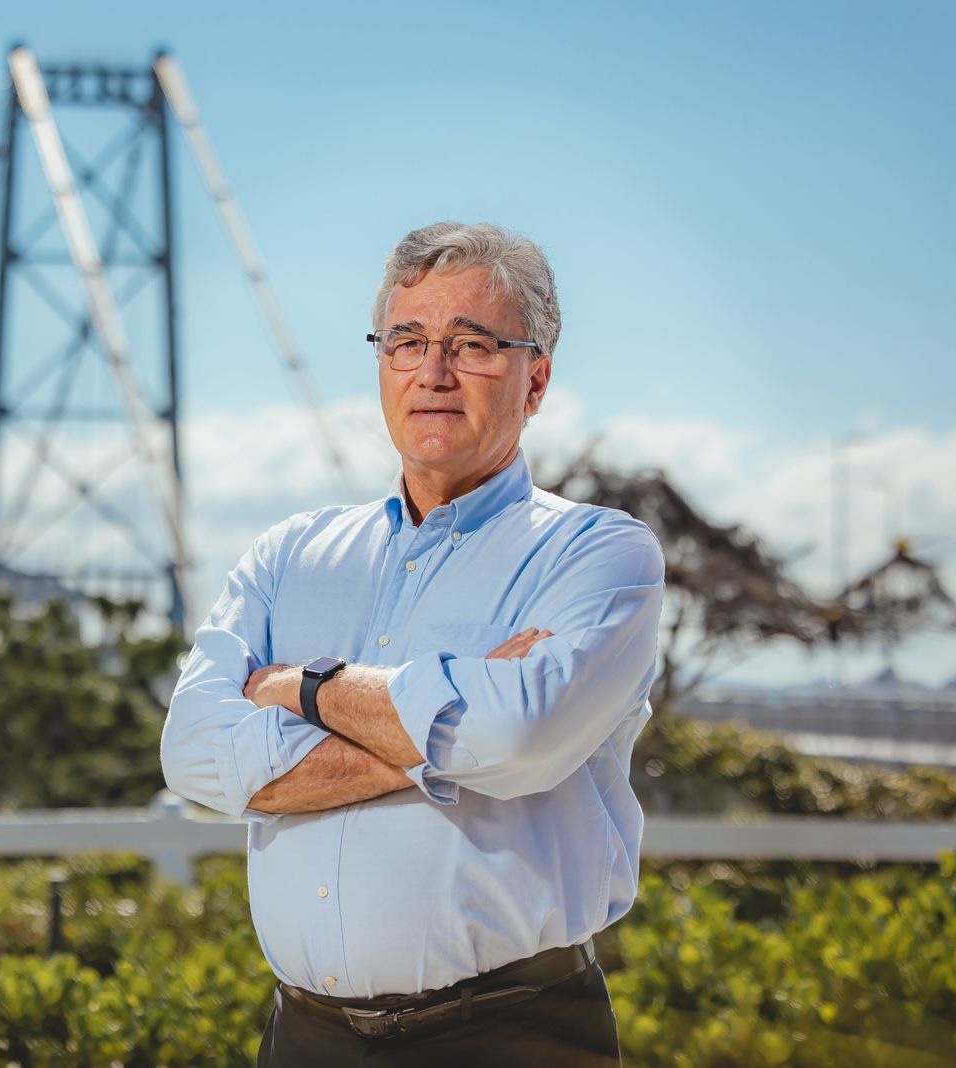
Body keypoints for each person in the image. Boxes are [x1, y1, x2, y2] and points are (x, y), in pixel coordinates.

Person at [160, 221, 664, 1066]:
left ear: (534, 379)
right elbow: (195, 754)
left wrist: (302, 688)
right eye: (407, 340)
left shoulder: (599, 554)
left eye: (472, 344)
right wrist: (444, 733)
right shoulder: (291, 555)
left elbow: (522, 739)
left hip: (514, 1036)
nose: (432, 371)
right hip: (305, 1038)